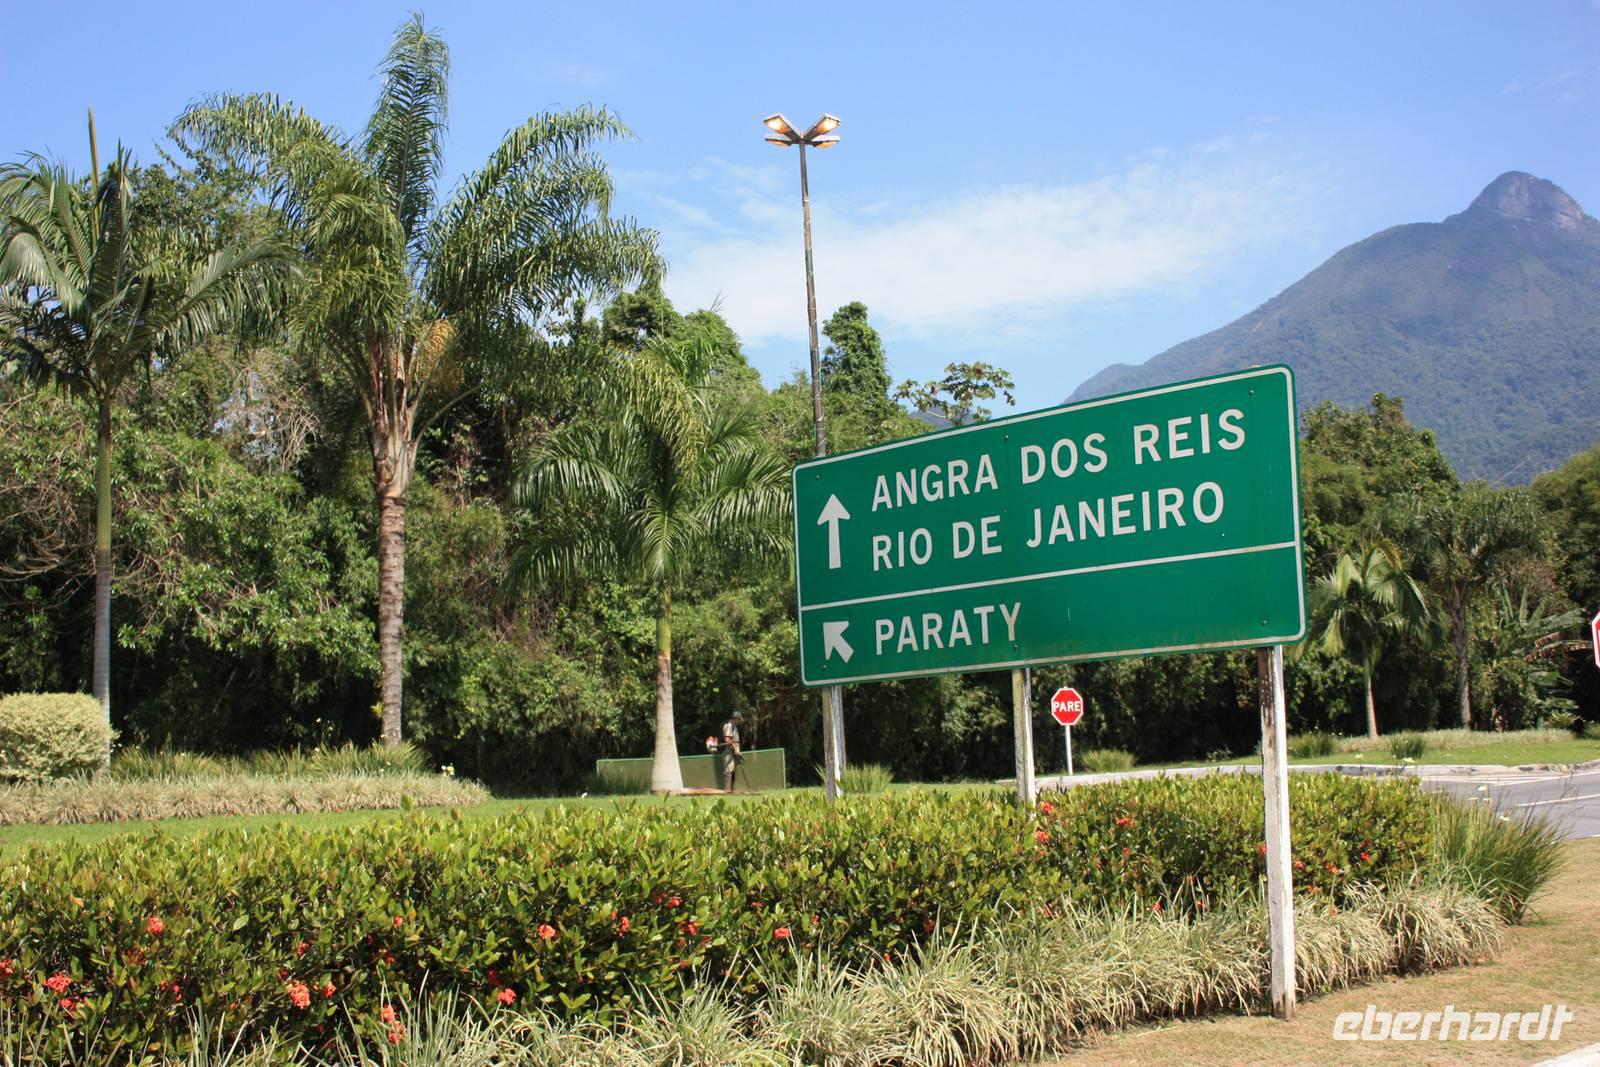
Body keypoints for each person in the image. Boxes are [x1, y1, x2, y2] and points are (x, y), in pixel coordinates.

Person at [720, 710, 745, 791]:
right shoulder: (729, 725)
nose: (739, 722)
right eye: (739, 720)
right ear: (736, 719)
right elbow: (727, 739)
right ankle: (727, 791)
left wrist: (737, 751)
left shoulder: (734, 727)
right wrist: (735, 749)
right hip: (728, 751)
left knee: (733, 770)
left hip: (732, 751)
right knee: (729, 770)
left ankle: (731, 790)